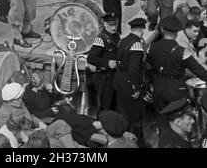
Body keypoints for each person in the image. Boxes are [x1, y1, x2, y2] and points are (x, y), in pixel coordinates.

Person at [147, 16, 207, 113]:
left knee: (162, 116)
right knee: (178, 116)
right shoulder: (182, 52)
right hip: (176, 89)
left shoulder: (151, 47)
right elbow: (199, 71)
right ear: (177, 31)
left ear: (162, 29)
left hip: (158, 86)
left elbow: (147, 67)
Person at [114, 17, 147, 146]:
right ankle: (139, 144)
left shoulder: (123, 41)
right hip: (129, 83)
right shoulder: (137, 44)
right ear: (142, 30)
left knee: (124, 113)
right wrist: (136, 88)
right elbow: (133, 70)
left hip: (120, 80)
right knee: (136, 116)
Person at [87, 13, 121, 111]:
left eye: (115, 24)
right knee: (106, 105)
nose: (114, 27)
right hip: (104, 76)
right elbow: (91, 58)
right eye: (111, 25)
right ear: (105, 24)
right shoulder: (100, 39)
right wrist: (107, 62)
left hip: (114, 75)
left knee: (115, 103)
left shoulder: (116, 36)